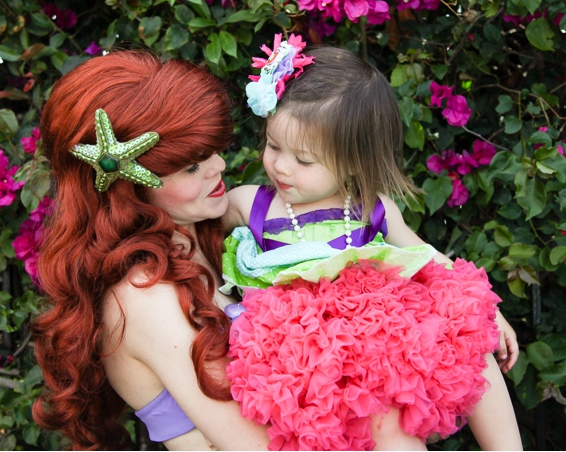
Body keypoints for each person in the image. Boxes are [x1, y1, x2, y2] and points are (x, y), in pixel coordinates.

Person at [221, 36, 522, 450]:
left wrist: (489, 311)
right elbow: (191, 234)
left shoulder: (370, 209)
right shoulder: (249, 204)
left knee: (465, 329)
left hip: (378, 350)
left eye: (303, 160)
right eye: (273, 145)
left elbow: (427, 257)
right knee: (377, 421)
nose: (280, 166)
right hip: (303, 362)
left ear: (352, 163)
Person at [30, 50, 272, 450]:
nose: (218, 166)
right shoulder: (146, 297)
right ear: (126, 186)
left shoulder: (206, 233)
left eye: (212, 148)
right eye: (191, 166)